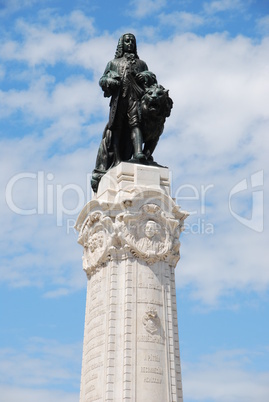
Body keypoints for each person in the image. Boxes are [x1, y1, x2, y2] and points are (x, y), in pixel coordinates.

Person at [91, 33, 157, 192]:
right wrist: (110, 81)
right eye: (126, 41)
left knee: (136, 124)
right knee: (117, 128)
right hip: (119, 99)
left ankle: (138, 153)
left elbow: (152, 80)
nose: (129, 43)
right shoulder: (113, 63)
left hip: (135, 98)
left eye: (132, 41)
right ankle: (118, 158)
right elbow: (103, 79)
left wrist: (146, 76)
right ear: (121, 44)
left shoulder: (141, 64)